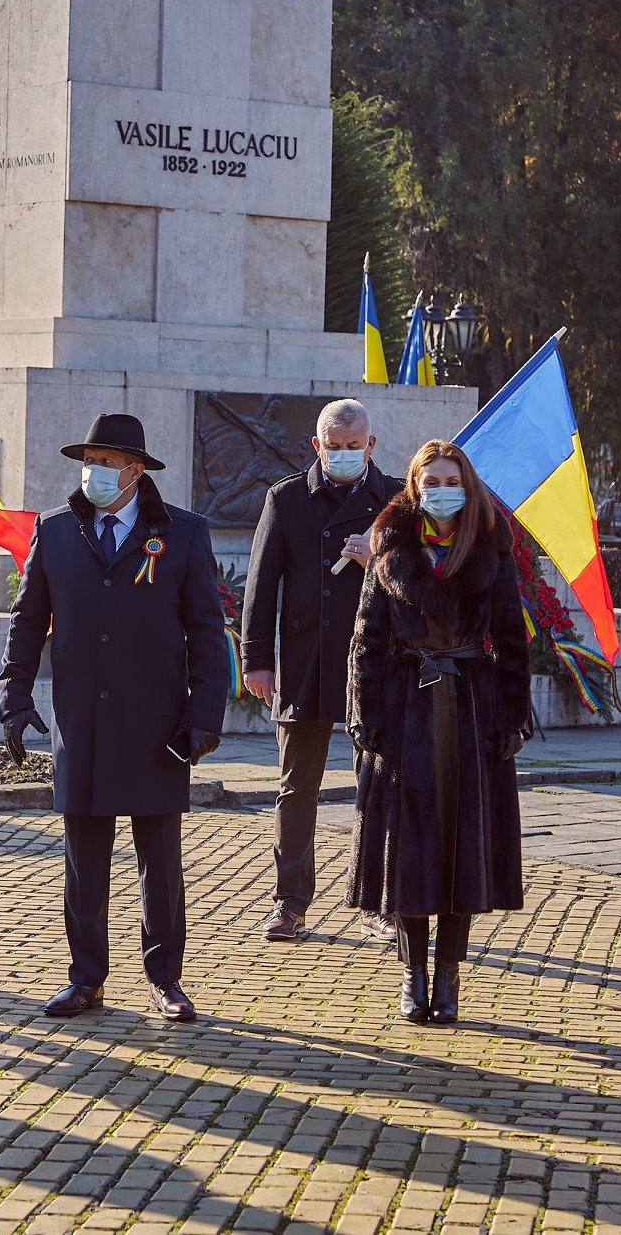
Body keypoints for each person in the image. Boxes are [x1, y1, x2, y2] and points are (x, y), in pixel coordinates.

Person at [0, 412, 229, 1022]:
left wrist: (205, 711)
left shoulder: (180, 534)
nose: (94, 472)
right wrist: (15, 696)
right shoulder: (55, 532)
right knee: (84, 860)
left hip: (157, 725)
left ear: (134, 471)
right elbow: (27, 623)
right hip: (82, 723)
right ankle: (86, 979)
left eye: (106, 463)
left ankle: (166, 979)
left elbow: (207, 631)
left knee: (160, 859)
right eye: (89, 461)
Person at [345, 440, 531, 1025]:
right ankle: (411, 976)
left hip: (472, 709)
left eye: (452, 479)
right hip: (405, 711)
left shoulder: (489, 548)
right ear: (414, 485)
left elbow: (512, 640)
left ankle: (448, 977)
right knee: (409, 848)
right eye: (431, 480)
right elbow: (366, 640)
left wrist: (511, 713)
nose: (441, 490)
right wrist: (364, 714)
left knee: (462, 845)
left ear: (466, 484)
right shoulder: (390, 547)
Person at [241, 398, 399, 943]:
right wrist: (256, 660)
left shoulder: (398, 499)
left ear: (371, 444)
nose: (345, 455)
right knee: (296, 786)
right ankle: (290, 903)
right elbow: (261, 587)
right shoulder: (285, 498)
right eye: (334, 447)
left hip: (374, 662)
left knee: (377, 784)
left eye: (354, 447)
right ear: (317, 445)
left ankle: (380, 901)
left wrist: (373, 559)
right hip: (305, 662)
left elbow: (425, 580)